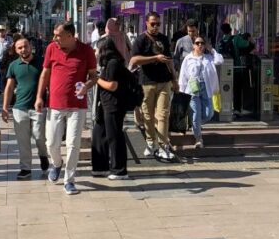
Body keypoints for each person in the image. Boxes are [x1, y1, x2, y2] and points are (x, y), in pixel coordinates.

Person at [35, 21, 97, 195]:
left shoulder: (86, 51)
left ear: (70, 36)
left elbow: (94, 76)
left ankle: (69, 180)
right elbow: (45, 73)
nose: (55, 38)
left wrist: (87, 85)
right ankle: (57, 163)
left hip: (77, 106)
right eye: (54, 35)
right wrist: (39, 96)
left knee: (73, 143)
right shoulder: (51, 49)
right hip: (55, 104)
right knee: (51, 143)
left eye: (58, 35)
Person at [130, 11, 178, 161]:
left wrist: (175, 80)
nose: (156, 26)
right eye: (153, 23)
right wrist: (155, 58)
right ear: (146, 23)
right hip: (146, 82)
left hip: (164, 81)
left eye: (158, 23)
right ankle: (151, 142)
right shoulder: (140, 40)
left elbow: (169, 60)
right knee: (148, 115)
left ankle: (164, 145)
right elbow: (135, 59)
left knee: (163, 114)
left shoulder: (163, 38)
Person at [2, 35, 49, 180]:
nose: (23, 49)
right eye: (20, 48)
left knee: (40, 137)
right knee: (23, 140)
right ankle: (25, 168)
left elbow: (49, 83)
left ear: (30, 46)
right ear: (16, 50)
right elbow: (9, 88)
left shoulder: (41, 62)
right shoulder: (14, 66)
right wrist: (5, 108)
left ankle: (43, 155)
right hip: (19, 108)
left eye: (25, 46)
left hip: (39, 108)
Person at [91, 36, 129, 179]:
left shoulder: (113, 63)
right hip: (105, 104)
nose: (95, 52)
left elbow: (113, 86)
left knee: (114, 136)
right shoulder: (107, 64)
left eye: (97, 49)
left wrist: (97, 79)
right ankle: (100, 167)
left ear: (103, 49)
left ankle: (120, 170)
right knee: (98, 134)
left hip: (114, 104)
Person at [178, 36, 219, 149]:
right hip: (192, 88)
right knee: (196, 114)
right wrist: (182, 92)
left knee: (209, 113)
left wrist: (212, 50)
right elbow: (183, 76)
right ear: (193, 45)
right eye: (197, 43)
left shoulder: (209, 57)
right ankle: (198, 138)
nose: (200, 45)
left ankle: (194, 124)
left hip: (206, 87)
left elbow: (220, 60)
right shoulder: (188, 59)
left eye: (202, 43)